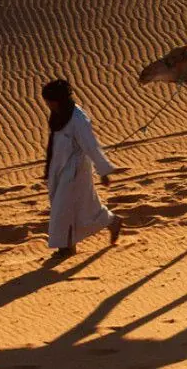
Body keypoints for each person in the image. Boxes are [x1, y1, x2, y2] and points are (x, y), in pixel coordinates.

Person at [42, 79, 121, 259]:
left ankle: (67, 247)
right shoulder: (58, 115)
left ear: (59, 99)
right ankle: (112, 221)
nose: (48, 104)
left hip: (75, 169)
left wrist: (104, 171)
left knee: (63, 207)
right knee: (80, 207)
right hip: (60, 167)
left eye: (50, 101)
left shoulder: (78, 118)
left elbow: (91, 145)